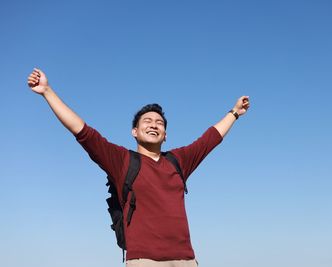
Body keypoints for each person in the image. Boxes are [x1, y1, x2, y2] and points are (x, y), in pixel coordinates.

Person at [27, 68, 250, 267]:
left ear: (165, 135)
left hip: (186, 260)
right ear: (134, 132)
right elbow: (83, 132)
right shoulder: (122, 161)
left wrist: (234, 113)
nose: (154, 124)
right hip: (144, 261)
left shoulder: (178, 160)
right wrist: (47, 92)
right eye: (147, 121)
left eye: (159, 123)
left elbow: (209, 139)